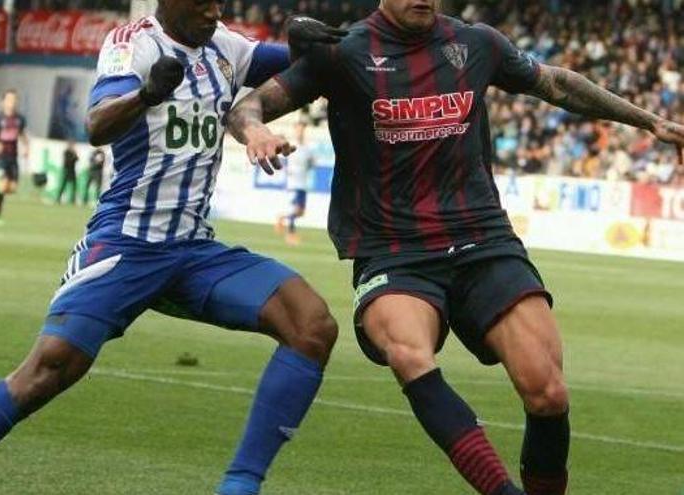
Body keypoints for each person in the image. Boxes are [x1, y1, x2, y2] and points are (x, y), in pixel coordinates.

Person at [0, 3, 345, 495]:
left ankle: (239, 486)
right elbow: (97, 125)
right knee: (48, 369)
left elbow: (300, 63)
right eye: (203, 1)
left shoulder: (226, 46)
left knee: (311, 324)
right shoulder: (132, 45)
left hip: (192, 251)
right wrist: (147, 94)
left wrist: (304, 39)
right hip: (127, 244)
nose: (214, 10)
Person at [226, 2, 684, 495]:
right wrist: (256, 131)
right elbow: (246, 108)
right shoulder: (344, 52)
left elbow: (555, 83)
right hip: (393, 250)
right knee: (409, 353)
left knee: (547, 392)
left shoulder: (476, 43)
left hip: (482, 239)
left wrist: (648, 122)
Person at [0, 90, 29, 226]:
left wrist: (26, 147)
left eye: (14, 100)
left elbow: (22, 134)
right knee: (3, 185)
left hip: (13, 156)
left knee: (12, 188)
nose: (12, 103)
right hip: (0, 156)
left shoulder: (20, 119)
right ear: (4, 102)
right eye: (9, 100)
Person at [274, 121, 314, 245]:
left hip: (303, 183)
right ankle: (291, 234)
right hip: (294, 183)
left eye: (302, 129)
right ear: (295, 130)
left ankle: (282, 218)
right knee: (297, 209)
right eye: (298, 129)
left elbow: (310, 164)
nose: (300, 131)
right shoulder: (292, 146)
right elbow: (285, 161)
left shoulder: (307, 148)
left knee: (301, 212)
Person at [56, 140, 79, 205]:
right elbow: (67, 161)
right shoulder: (66, 152)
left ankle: (73, 200)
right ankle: (58, 198)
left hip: (72, 171)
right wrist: (73, 157)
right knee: (63, 185)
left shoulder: (74, 152)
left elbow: (77, 159)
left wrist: (75, 154)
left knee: (74, 186)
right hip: (67, 170)